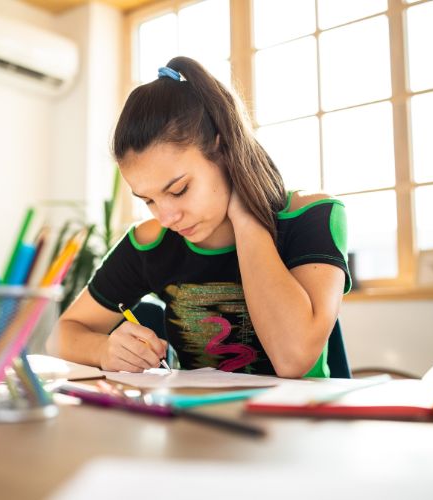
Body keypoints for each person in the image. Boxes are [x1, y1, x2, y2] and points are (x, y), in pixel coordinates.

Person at [46, 56, 350, 378]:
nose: (167, 217)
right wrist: (103, 349)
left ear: (225, 151)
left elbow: (294, 359)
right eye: (148, 200)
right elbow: (61, 336)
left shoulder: (312, 217)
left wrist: (246, 218)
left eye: (179, 190)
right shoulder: (151, 243)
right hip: (196, 422)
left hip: (299, 423)